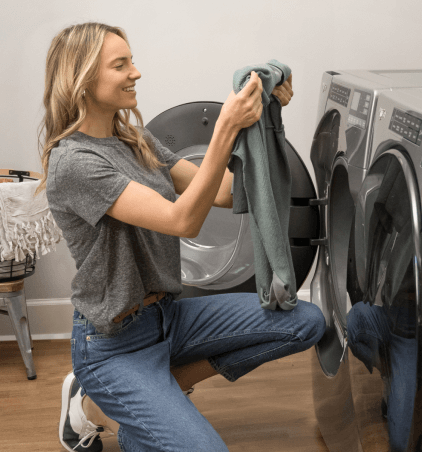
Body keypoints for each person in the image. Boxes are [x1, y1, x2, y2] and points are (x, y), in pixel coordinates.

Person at [37, 22, 326, 452]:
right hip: (113, 345)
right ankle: (103, 398)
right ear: (81, 81)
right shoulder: (74, 163)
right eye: (121, 65)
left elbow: (226, 192)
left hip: (168, 320)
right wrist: (225, 126)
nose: (136, 72)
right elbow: (182, 220)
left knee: (305, 322)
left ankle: (138, 399)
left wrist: (260, 119)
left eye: (132, 61)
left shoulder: (134, 139)